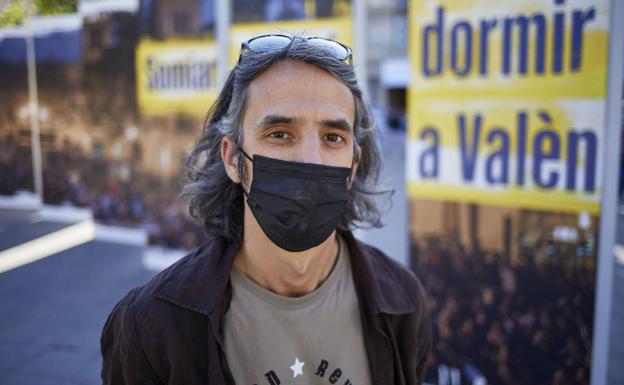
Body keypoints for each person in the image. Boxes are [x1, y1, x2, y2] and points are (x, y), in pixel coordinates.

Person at [100, 34, 431, 385]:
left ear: (352, 166)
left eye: (333, 138)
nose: (310, 159)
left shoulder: (404, 303)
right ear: (231, 158)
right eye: (279, 133)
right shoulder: (152, 324)